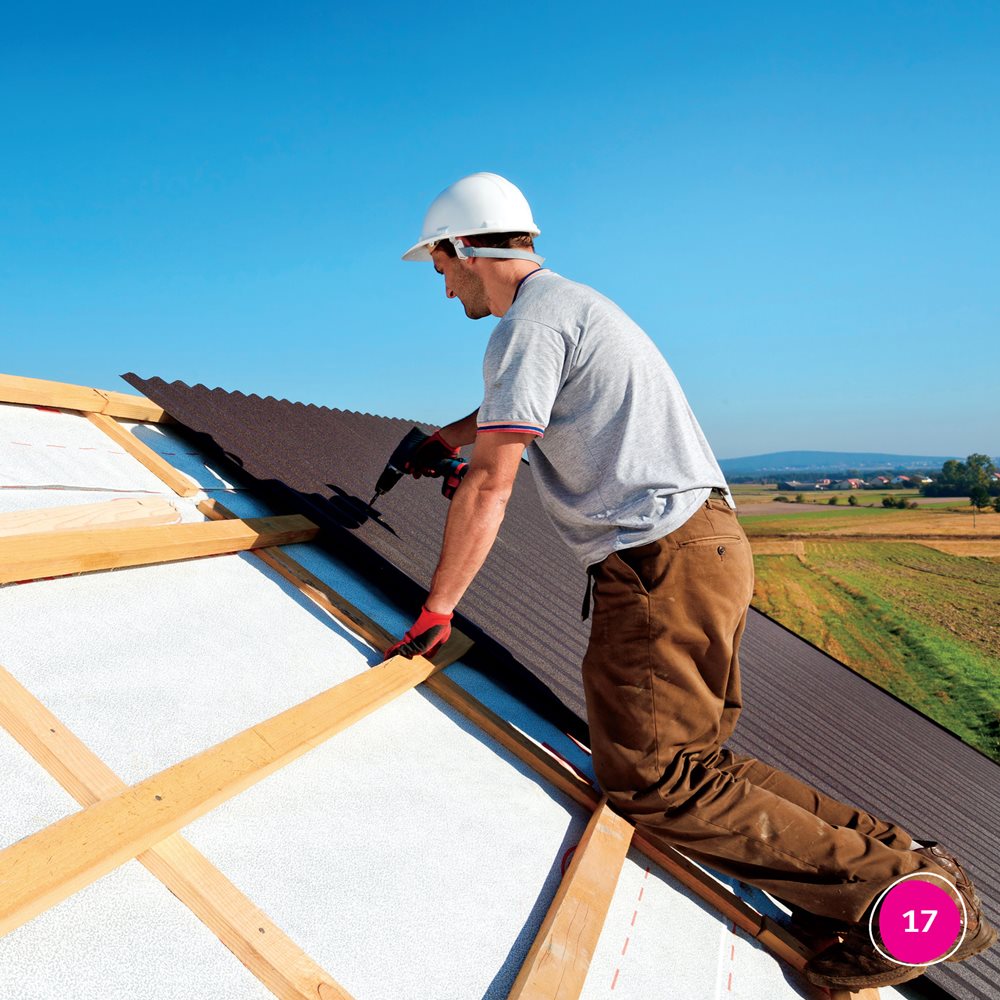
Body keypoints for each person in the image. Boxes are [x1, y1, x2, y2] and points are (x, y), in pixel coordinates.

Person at [384, 172, 995, 989]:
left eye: (440, 268)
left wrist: (438, 609)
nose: (443, 285)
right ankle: (913, 870)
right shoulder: (570, 306)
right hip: (700, 547)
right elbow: (511, 420)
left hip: (658, 561)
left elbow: (496, 481)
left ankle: (895, 899)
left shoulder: (525, 325)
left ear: (463, 248)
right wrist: (448, 439)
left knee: (653, 780)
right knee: (696, 764)